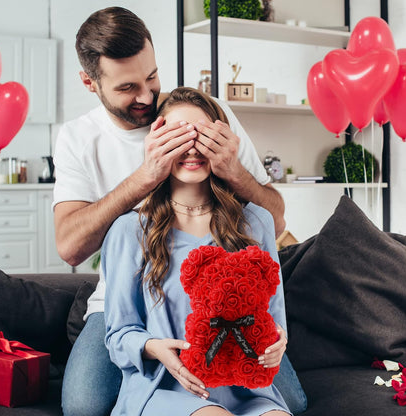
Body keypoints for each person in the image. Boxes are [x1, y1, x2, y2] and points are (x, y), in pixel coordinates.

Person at [52, 7, 304, 416]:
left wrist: (233, 171)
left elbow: (273, 220)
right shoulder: (80, 139)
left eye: (152, 77)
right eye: (129, 87)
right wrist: (146, 177)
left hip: (228, 309)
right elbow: (69, 246)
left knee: (289, 402)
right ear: (90, 82)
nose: (148, 97)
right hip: (137, 296)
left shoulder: (213, 115)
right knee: (84, 405)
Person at [103, 86, 292, 416]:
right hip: (164, 387)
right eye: (177, 137)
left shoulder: (257, 222)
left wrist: (277, 344)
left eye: (203, 136)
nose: (191, 149)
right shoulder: (130, 231)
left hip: (247, 390)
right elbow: (118, 334)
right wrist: (155, 348)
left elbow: (274, 321)